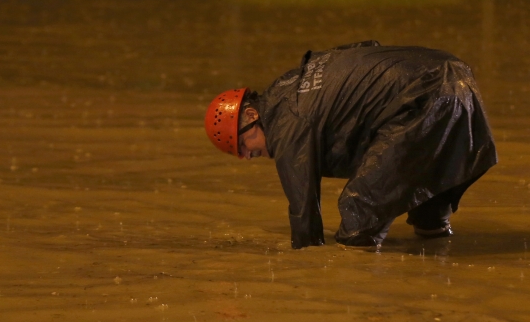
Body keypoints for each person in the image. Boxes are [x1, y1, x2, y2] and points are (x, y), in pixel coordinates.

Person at [204, 41, 497, 249]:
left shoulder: (286, 122)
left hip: (423, 98)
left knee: (359, 214)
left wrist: (307, 266)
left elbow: (303, 211)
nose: (246, 156)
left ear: (252, 115)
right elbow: (366, 47)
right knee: (427, 218)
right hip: (456, 79)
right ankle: (437, 250)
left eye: (241, 145)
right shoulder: (289, 85)